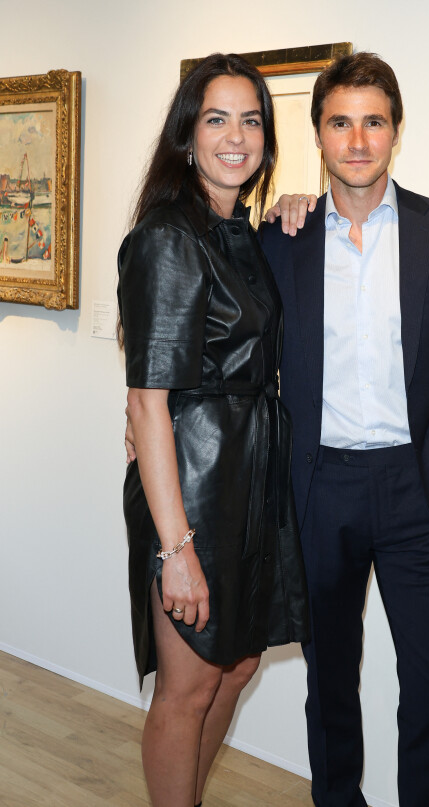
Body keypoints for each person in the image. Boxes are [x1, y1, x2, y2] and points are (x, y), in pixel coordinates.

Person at [260, 52, 429, 807]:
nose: (359, 140)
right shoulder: (283, 237)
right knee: (329, 684)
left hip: (419, 492)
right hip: (321, 488)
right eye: (341, 122)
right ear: (319, 134)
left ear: (395, 132)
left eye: (374, 121)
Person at [117, 53, 309, 807]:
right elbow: (146, 402)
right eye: (217, 118)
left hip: (251, 477)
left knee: (235, 666)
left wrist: (299, 206)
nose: (237, 135)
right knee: (189, 686)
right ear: (187, 135)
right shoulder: (169, 235)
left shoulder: (239, 231)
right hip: (192, 485)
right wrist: (176, 549)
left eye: (251, 119)